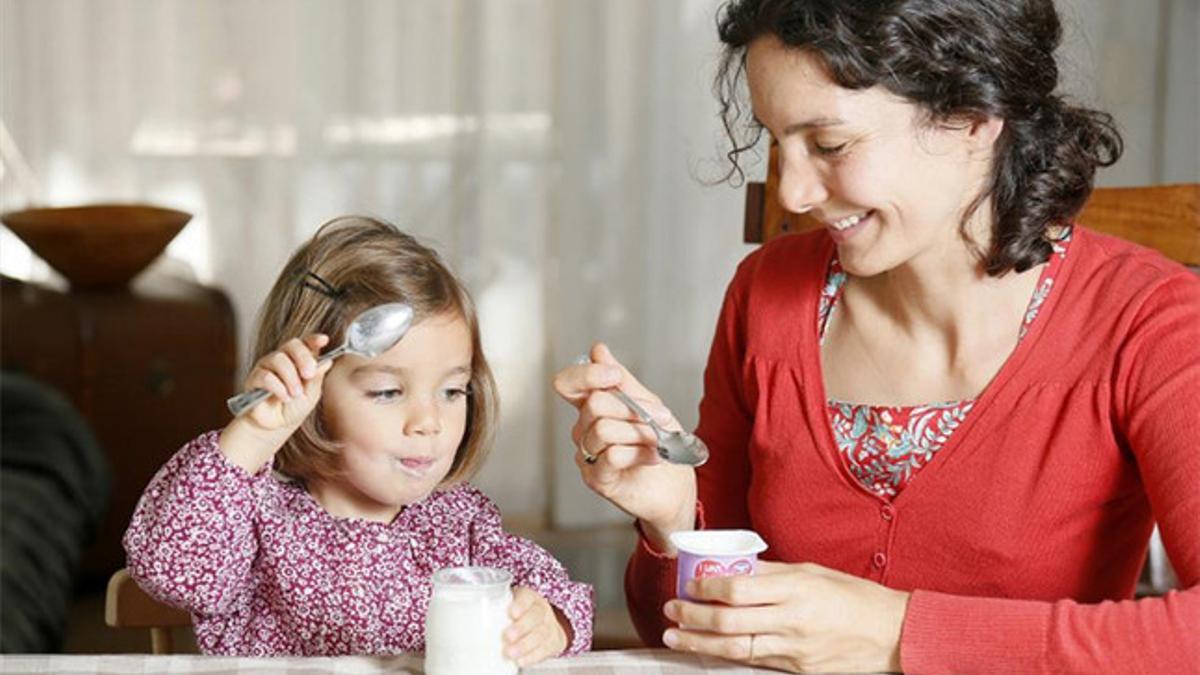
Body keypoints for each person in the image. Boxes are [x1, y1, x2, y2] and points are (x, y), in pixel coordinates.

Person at [553, 1, 1198, 672]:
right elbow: (684, 637)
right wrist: (674, 518)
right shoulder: (765, 295)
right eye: (779, 143)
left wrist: (895, 632)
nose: (795, 192)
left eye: (829, 145)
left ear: (973, 117)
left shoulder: (1151, 323)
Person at [125, 216, 593, 662]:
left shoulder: (460, 524)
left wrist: (550, 622)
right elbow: (175, 573)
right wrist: (254, 434)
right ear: (311, 392)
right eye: (388, 392)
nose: (428, 421)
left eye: (452, 391)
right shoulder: (253, 516)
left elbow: (558, 593)